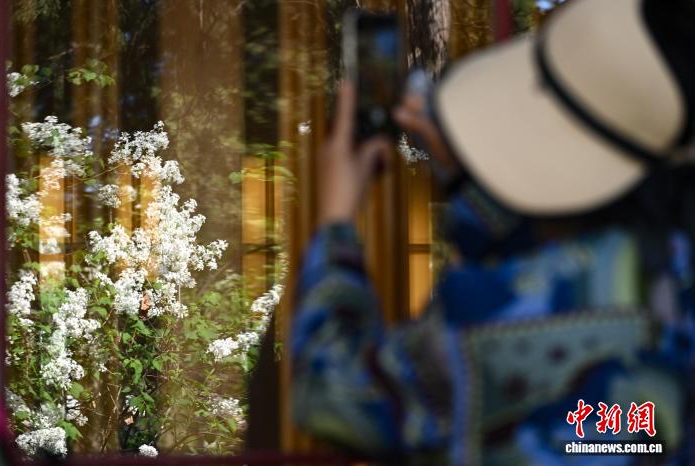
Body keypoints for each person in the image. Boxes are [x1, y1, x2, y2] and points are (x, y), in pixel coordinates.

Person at [290, 0, 695, 464]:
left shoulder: (492, 314)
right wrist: (468, 188)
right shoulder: (673, 265)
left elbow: (331, 394)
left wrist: (336, 221)